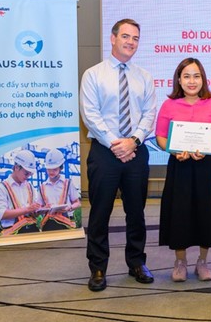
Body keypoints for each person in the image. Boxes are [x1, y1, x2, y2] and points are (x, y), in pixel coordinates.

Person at [80, 18, 157, 292]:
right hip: (104, 151)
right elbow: (91, 115)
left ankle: (136, 262)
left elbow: (149, 115)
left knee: (136, 212)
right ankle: (98, 268)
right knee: (100, 212)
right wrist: (116, 144)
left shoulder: (144, 77)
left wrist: (133, 141)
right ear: (112, 38)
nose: (130, 42)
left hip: (136, 151)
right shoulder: (93, 75)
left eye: (135, 38)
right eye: (125, 36)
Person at [155, 57, 211, 283]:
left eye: (196, 76)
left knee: (205, 212)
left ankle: (202, 261)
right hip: (179, 166)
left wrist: (208, 147)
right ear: (179, 79)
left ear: (203, 79)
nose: (192, 81)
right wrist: (173, 150)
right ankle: (180, 262)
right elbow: (160, 137)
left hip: (204, 165)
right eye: (186, 76)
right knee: (179, 213)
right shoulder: (169, 105)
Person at [0, 149, 42, 236]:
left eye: (30, 174)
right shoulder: (1, 188)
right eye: (26, 173)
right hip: (12, 233)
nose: (28, 177)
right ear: (16, 167)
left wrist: (39, 210)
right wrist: (27, 209)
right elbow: (1, 214)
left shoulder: (30, 186)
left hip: (32, 230)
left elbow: (32, 209)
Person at [39, 148, 81, 231]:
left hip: (66, 223)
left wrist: (69, 207)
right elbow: (39, 208)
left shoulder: (68, 183)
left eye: (54, 169)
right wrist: (44, 208)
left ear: (61, 168)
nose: (51, 172)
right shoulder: (42, 187)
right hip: (48, 224)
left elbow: (77, 203)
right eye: (49, 169)